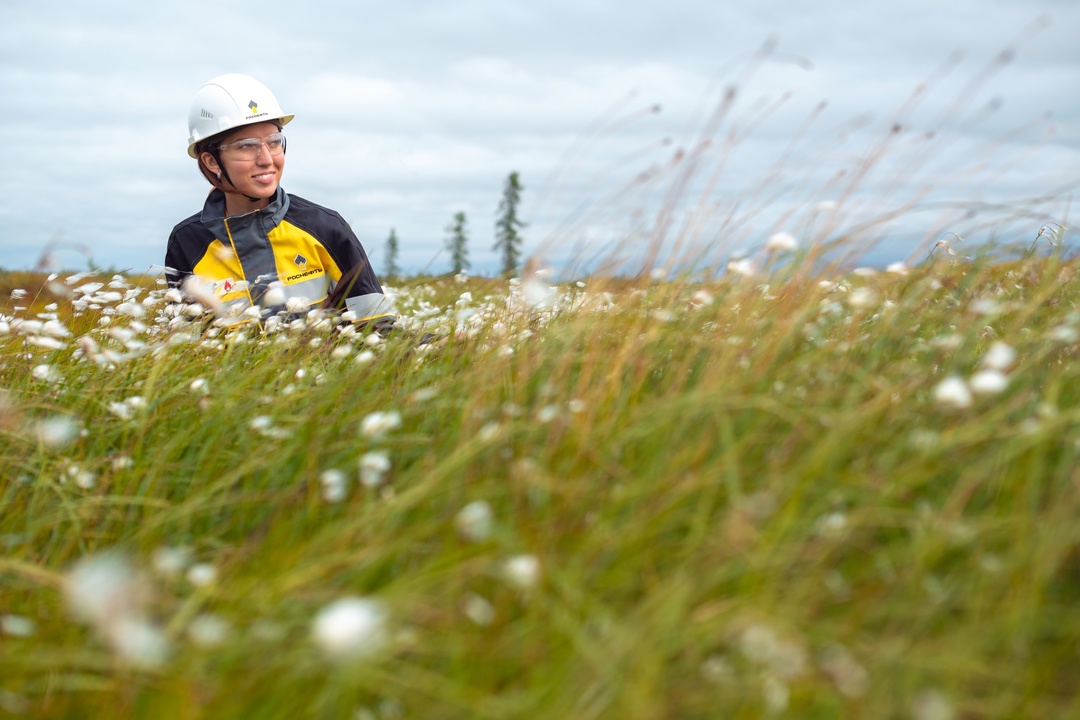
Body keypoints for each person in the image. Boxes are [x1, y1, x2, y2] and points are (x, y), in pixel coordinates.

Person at [164, 73, 394, 329]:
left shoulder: (324, 227)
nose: (266, 159)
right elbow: (186, 347)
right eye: (246, 146)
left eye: (274, 143)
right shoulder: (187, 242)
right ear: (211, 161)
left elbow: (379, 330)